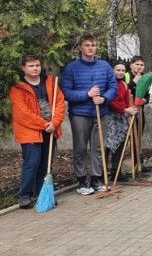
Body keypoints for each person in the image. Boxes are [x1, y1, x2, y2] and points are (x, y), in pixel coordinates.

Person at [60, 34, 117, 195]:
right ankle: (81, 180)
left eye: (93, 45)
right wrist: (87, 94)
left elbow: (113, 86)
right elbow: (66, 92)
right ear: (80, 47)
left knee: (98, 147)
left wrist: (104, 98)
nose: (91, 48)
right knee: (80, 147)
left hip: (101, 112)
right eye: (87, 45)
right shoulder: (72, 68)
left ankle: (96, 177)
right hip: (80, 114)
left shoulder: (104, 66)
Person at [10, 55, 65, 208]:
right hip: (31, 132)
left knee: (45, 165)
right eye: (31, 66)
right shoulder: (18, 88)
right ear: (23, 68)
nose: (35, 68)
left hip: (51, 130)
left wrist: (54, 123)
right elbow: (22, 113)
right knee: (32, 163)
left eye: (37, 65)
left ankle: (43, 194)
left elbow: (60, 103)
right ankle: (24, 195)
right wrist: (44, 124)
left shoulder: (50, 82)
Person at [106, 61, 138, 182]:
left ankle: (116, 171)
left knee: (120, 145)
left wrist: (130, 109)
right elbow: (109, 101)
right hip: (110, 117)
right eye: (118, 70)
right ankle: (102, 173)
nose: (120, 73)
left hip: (122, 117)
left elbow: (126, 100)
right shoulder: (108, 84)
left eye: (122, 71)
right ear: (112, 70)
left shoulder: (124, 84)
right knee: (108, 145)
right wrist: (124, 109)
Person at [123, 55, 151, 174]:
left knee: (138, 137)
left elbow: (148, 94)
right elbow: (123, 92)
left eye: (142, 65)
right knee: (130, 138)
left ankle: (139, 165)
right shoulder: (127, 76)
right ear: (131, 65)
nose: (139, 67)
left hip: (140, 110)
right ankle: (128, 166)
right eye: (137, 64)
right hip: (128, 112)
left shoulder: (145, 78)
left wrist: (146, 100)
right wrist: (133, 82)